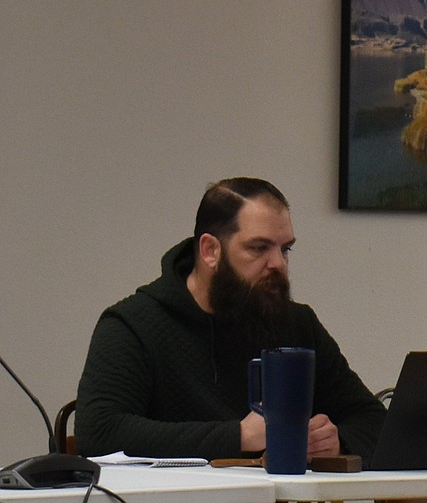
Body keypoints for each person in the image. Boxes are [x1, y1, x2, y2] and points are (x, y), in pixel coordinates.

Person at [75, 177, 386, 464]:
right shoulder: (134, 324)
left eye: (285, 249)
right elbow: (99, 432)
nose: (278, 264)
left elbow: (374, 422)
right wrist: (239, 436)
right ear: (211, 250)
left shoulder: (295, 324)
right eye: (259, 248)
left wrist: (336, 442)